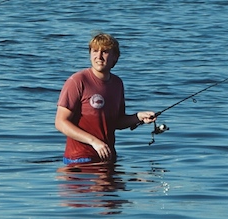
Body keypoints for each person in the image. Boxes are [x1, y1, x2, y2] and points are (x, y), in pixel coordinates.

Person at [55, 32, 156, 165]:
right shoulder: (77, 81)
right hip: (79, 161)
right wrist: (94, 142)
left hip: (107, 158)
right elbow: (60, 122)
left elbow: (116, 122)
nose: (99, 56)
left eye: (105, 52)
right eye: (95, 51)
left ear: (115, 57)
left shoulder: (117, 83)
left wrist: (138, 117)